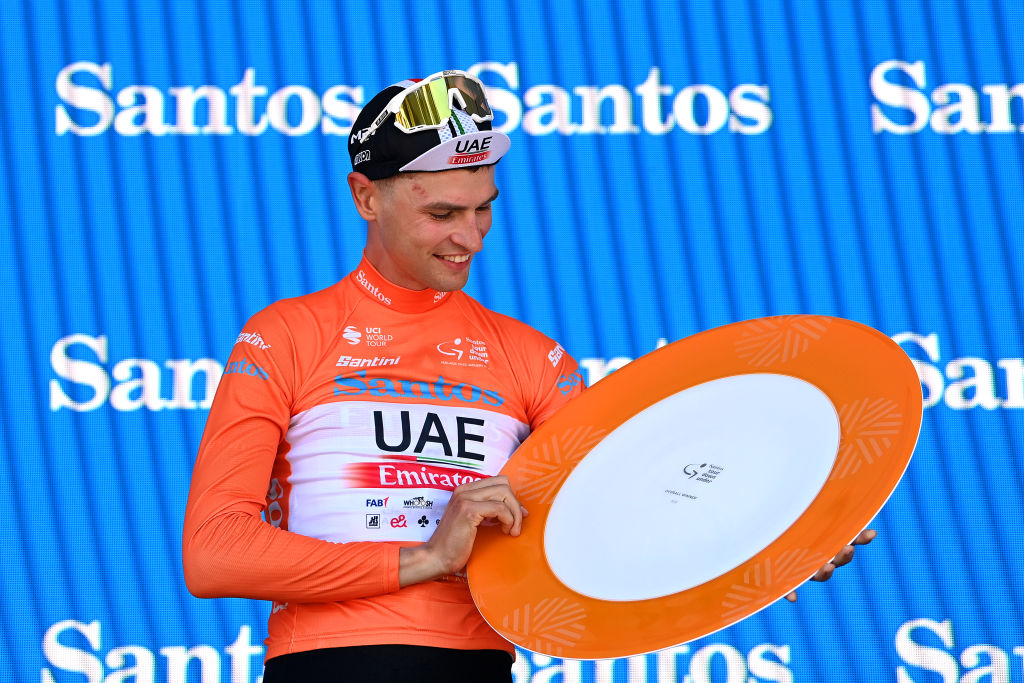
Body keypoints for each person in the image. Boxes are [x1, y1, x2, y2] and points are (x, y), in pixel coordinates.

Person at [183, 70, 873, 682]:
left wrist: (770, 537)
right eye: (441, 213)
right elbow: (214, 553)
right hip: (326, 662)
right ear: (366, 197)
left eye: (484, 207)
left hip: (477, 663)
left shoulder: (531, 356)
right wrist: (423, 557)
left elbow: (630, 509)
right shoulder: (286, 334)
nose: (471, 236)